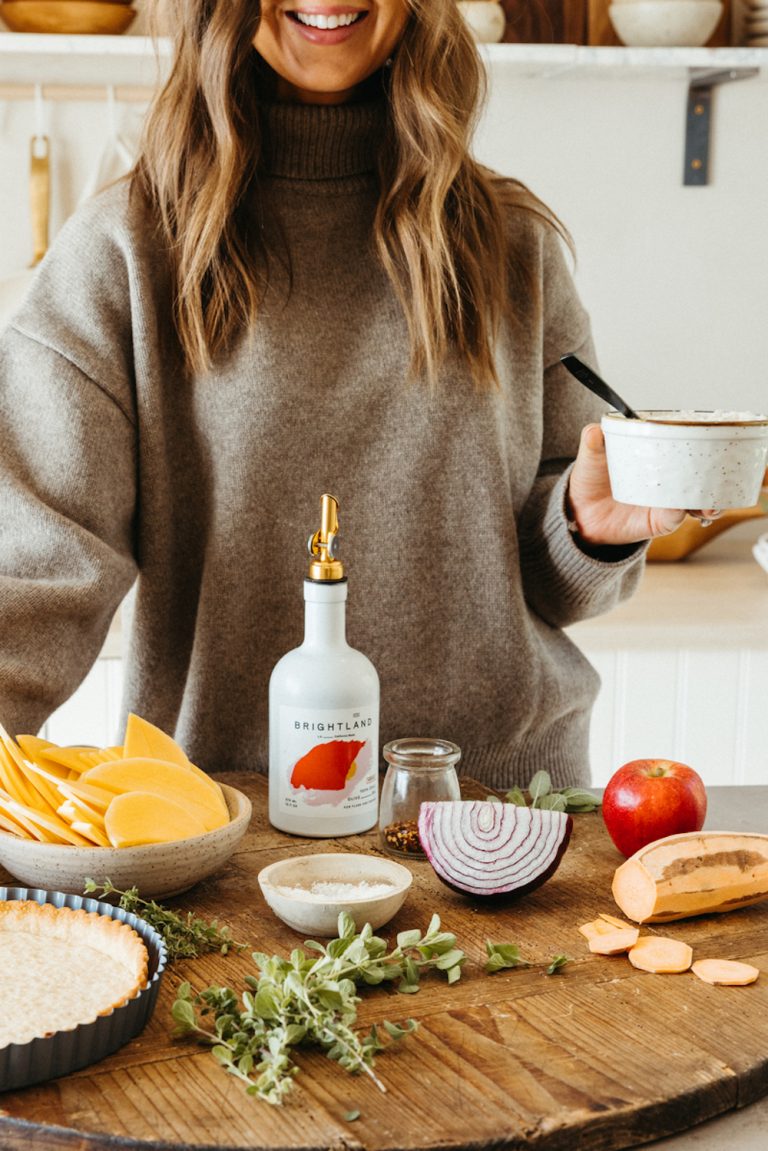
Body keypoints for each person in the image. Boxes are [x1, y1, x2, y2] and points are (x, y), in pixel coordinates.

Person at [0, 1, 689, 789]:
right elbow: (28, 572)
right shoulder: (122, 251)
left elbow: (549, 579)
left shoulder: (512, 244)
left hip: (502, 805)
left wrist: (585, 526)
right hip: (231, 824)